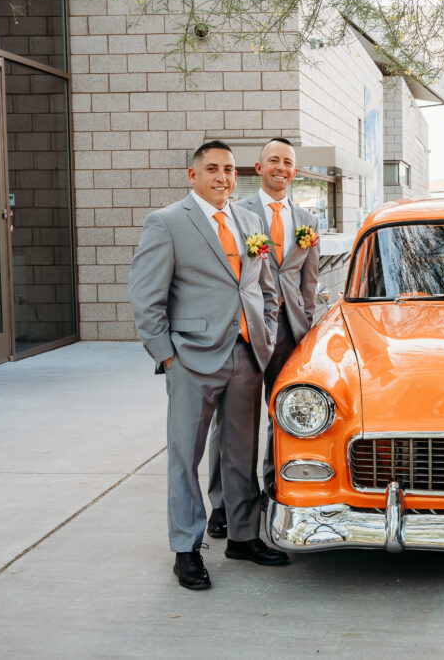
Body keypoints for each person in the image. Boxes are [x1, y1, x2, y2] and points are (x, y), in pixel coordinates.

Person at [129, 140, 290, 591]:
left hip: (245, 353)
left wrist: (266, 334)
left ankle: (242, 536)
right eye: (214, 169)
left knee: (241, 453)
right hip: (191, 358)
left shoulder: (250, 220)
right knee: (186, 456)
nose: (223, 177)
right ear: (193, 174)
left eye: (230, 170)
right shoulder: (167, 223)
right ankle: (186, 549)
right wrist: (166, 355)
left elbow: (265, 287)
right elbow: (147, 298)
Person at [205, 138, 321, 539]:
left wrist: (308, 326)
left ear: (295, 170)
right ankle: (222, 503)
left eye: (288, 162)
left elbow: (309, 281)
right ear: (258, 167)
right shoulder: (236, 213)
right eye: (274, 160)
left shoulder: (308, 219)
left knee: (283, 415)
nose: (281, 167)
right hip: (248, 331)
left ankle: (274, 489)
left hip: (291, 332)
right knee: (233, 420)